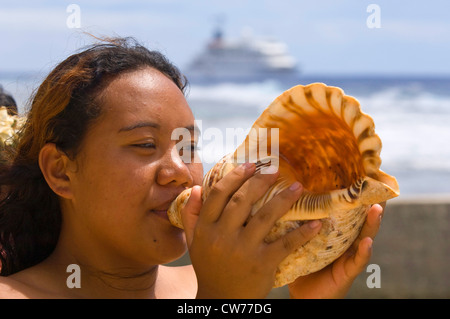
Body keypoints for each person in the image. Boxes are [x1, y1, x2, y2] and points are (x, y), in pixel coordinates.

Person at [0, 37, 384, 299]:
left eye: (189, 146)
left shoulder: (225, 280)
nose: (180, 171)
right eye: (145, 145)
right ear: (60, 171)